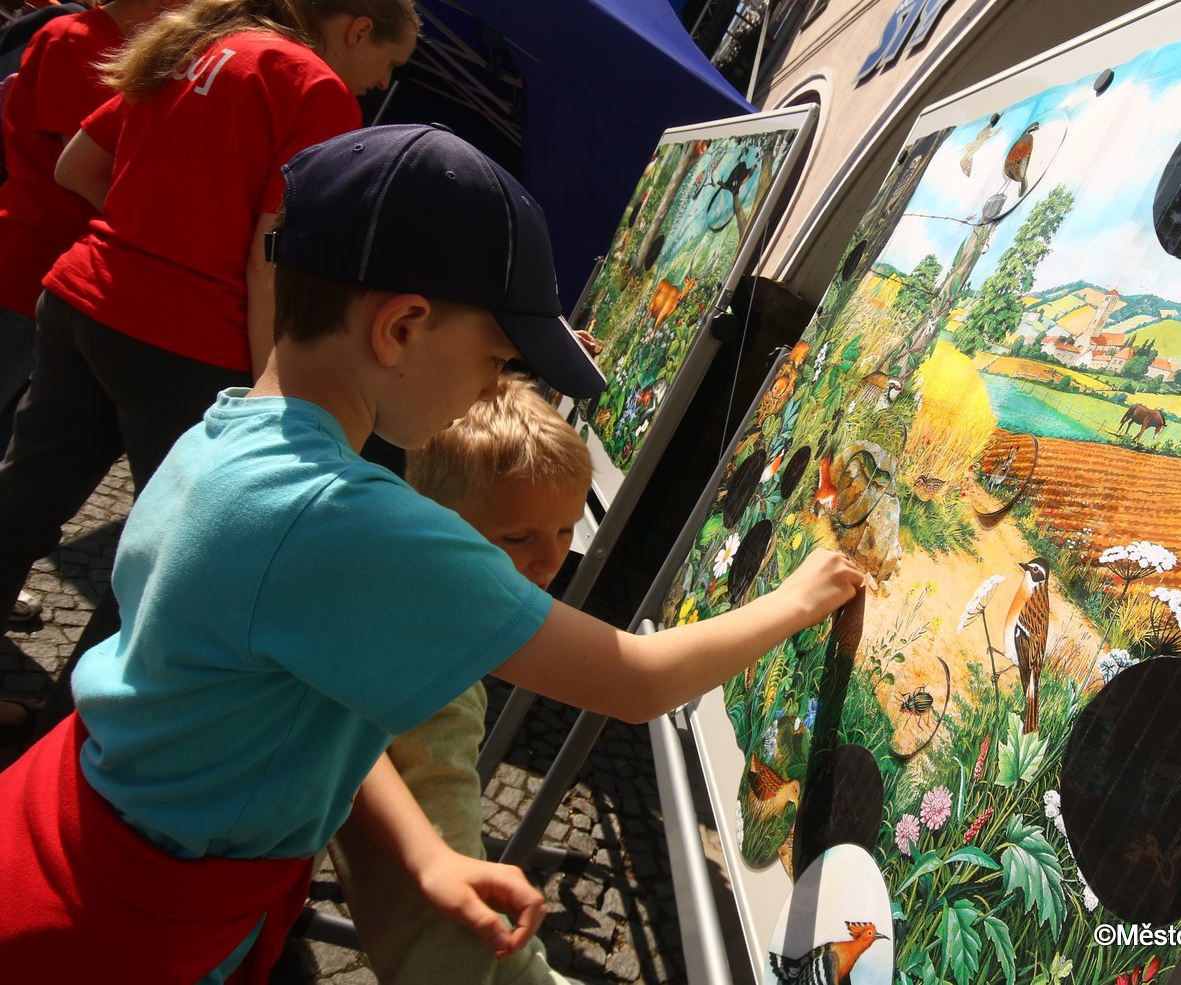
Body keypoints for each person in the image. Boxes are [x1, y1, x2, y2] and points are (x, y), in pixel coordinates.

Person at [0, 122, 863, 982]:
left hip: (77, 831)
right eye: (495, 358)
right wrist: (795, 600)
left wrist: (424, 853)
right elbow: (634, 680)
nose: (494, 385)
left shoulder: (224, 436)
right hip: (126, 933)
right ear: (402, 327)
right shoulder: (350, 524)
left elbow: (315, 710)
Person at [4, 0, 418, 733]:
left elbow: (77, 166)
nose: (378, 85)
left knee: (22, 500)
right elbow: (270, 260)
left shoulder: (198, 40)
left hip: (84, 296)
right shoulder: (317, 90)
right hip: (184, 341)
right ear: (357, 30)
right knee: (169, 553)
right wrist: (271, 390)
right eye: (387, 64)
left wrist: (150, 230)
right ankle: (64, 741)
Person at [330, 375, 593, 984]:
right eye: (518, 537)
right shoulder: (438, 679)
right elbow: (447, 948)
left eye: (566, 530)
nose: (552, 560)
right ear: (433, 520)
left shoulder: (381, 585)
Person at [0, 0, 241, 477]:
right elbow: (93, 171)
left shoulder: (142, 54)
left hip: (59, 277)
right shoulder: (76, 40)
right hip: (27, 264)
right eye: (214, 8)